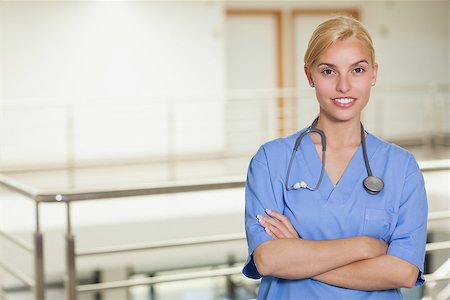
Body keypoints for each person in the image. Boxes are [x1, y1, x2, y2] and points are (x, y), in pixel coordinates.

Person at [242, 16, 428, 299]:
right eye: (329, 71)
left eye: (357, 70)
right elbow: (269, 260)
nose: (344, 86)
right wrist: (364, 247)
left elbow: (402, 271)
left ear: (374, 74)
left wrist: (299, 254)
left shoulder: (401, 167)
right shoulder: (271, 160)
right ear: (309, 75)